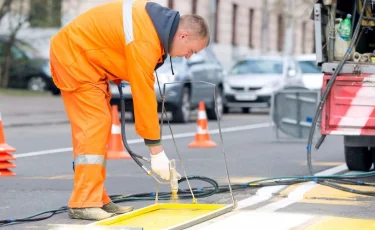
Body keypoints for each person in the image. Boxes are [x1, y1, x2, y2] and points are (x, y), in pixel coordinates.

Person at [49, 0, 210, 221]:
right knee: (93, 126)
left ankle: (96, 197)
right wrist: (156, 150)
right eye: (192, 50)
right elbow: (143, 94)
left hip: (87, 61)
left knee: (98, 129)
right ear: (183, 36)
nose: (189, 56)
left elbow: (113, 41)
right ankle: (84, 202)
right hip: (75, 59)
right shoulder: (147, 38)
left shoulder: (155, 27)